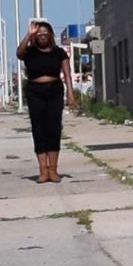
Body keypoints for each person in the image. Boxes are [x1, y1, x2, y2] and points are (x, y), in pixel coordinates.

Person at [17, 19, 77, 183]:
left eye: (45, 34)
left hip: (55, 91)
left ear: (51, 35)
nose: (42, 36)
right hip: (34, 91)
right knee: (39, 129)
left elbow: (67, 74)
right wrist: (28, 35)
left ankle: (53, 170)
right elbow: (19, 53)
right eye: (39, 34)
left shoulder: (59, 53)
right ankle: (43, 170)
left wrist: (70, 94)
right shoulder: (29, 52)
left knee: (54, 128)